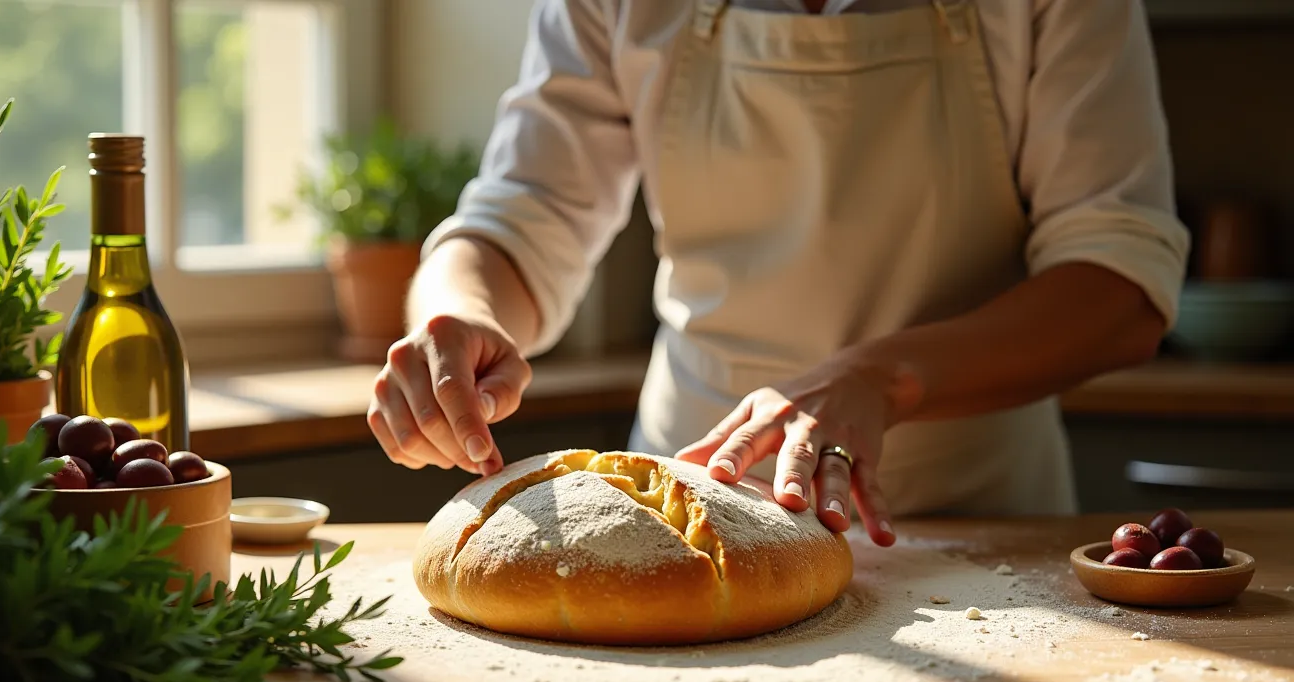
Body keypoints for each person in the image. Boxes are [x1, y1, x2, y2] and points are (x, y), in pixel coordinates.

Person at [367, 0, 1188, 548]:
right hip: (685, 513)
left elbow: (1118, 279)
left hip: (978, 519)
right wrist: (456, 312)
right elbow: (520, 217)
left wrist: (879, 378)